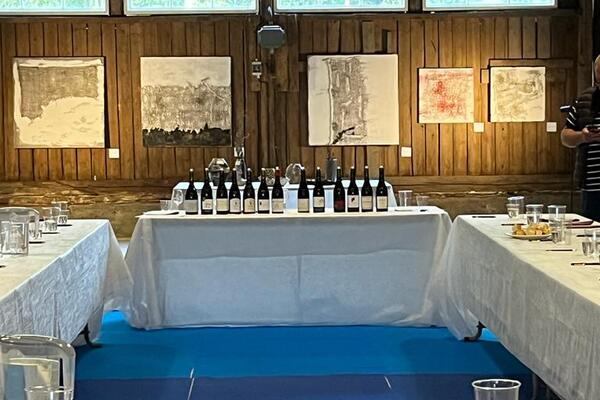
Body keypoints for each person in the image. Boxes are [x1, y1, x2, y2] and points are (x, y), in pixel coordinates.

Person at [561, 55, 600, 222]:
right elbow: (565, 136)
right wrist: (583, 136)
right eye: (599, 73)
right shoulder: (584, 100)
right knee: (592, 232)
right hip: (592, 188)